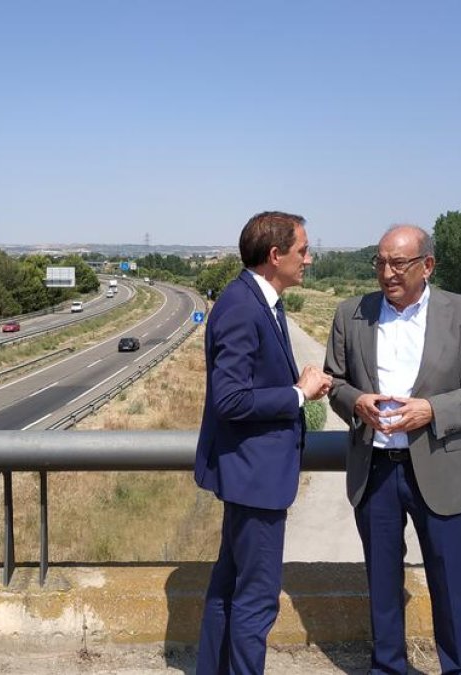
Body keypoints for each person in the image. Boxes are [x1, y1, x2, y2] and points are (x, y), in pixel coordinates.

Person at [324, 225, 461, 675]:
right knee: (382, 584)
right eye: (381, 262)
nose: (387, 273)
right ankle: (388, 668)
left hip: (440, 469)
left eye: (399, 263)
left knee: (452, 587)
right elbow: (335, 383)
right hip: (375, 471)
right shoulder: (351, 313)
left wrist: (432, 409)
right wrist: (355, 402)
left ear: (427, 266)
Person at [194, 211, 332, 674]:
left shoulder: (259, 301)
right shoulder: (242, 307)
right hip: (255, 479)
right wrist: (299, 393)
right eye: (303, 251)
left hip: (248, 474)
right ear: (276, 255)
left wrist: (297, 385)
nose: (308, 259)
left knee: (228, 588)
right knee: (256, 600)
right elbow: (230, 399)